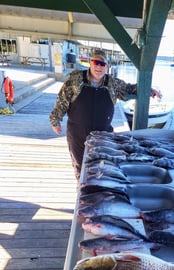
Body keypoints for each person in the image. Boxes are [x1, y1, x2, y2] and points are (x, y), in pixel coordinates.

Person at [49, 49, 161, 181]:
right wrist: (55, 120)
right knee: (81, 167)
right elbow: (63, 99)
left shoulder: (112, 83)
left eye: (103, 64)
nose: (99, 67)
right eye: (96, 62)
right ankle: (83, 193)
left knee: (102, 167)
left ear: (107, 67)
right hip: (77, 134)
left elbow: (129, 88)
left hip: (103, 136)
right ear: (90, 63)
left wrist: (149, 90)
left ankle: (98, 192)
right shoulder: (75, 79)